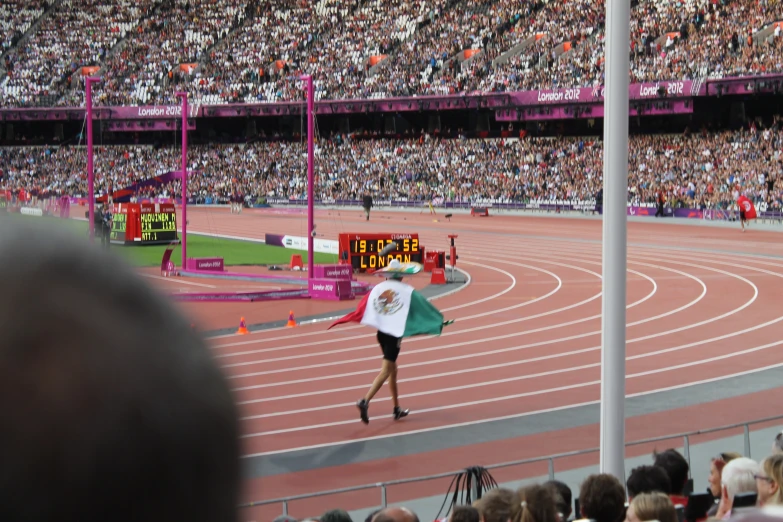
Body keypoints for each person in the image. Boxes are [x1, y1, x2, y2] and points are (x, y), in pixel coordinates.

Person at [328, 260, 453, 424]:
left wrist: (351, 316)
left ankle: (396, 409)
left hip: (381, 334)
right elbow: (423, 307)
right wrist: (437, 320)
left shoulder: (378, 289)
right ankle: (365, 401)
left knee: (393, 370)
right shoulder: (407, 291)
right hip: (393, 336)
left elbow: (363, 306)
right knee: (386, 370)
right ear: (401, 276)